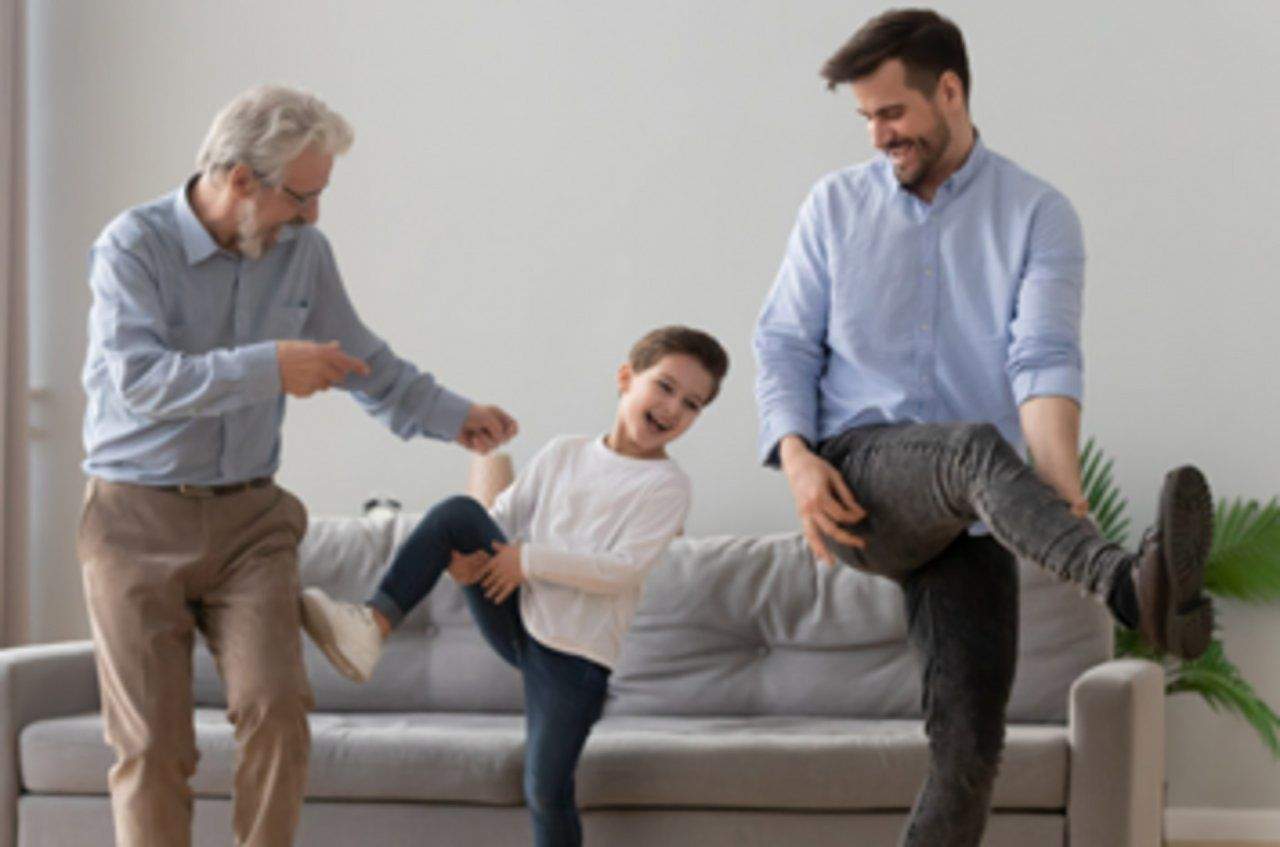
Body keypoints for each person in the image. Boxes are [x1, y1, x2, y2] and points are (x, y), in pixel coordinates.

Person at [753, 10, 1214, 846]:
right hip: (860, 482)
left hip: (971, 513)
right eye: (866, 118)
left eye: (892, 112)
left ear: (950, 91)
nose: (879, 135)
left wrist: (1058, 483)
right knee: (969, 448)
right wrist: (795, 457)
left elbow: (1043, 356)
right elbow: (783, 341)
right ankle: (1124, 584)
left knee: (969, 751)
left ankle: (1131, 586)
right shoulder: (834, 207)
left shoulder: (1038, 213)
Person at [77, 85, 517, 847]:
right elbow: (140, 381)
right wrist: (270, 366)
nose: (313, 215)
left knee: (278, 709)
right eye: (302, 195)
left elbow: (361, 359)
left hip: (252, 520)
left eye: (320, 195)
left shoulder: (302, 251)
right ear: (239, 179)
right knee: (152, 742)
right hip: (135, 520)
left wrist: (453, 415)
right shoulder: (134, 245)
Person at [300, 326, 729, 847]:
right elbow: (498, 520)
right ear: (625, 378)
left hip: (574, 660)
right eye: (665, 387)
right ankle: (372, 624)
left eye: (691, 404)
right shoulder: (564, 453)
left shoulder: (667, 486)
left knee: (545, 790)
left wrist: (526, 560)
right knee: (458, 513)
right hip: (515, 614)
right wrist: (465, 564)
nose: (673, 408)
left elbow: (623, 569)